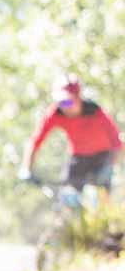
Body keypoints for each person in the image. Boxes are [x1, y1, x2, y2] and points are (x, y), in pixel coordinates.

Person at [22, 76, 120, 209]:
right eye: (60, 102)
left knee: (101, 202)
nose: (64, 107)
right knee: (67, 198)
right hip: (78, 158)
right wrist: (26, 168)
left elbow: (117, 143)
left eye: (68, 102)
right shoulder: (55, 114)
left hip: (102, 158)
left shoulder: (96, 113)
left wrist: (109, 167)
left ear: (78, 98)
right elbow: (35, 141)